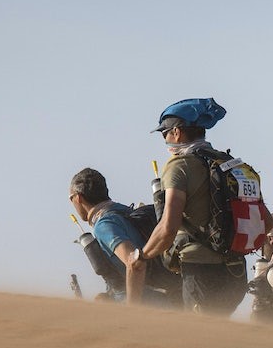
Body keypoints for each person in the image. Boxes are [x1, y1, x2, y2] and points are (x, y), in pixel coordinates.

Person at [140, 97, 261, 316]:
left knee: (204, 341)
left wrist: (142, 256)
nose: (165, 139)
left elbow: (168, 226)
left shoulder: (179, 166)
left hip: (201, 272)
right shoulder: (231, 164)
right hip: (236, 272)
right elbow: (267, 221)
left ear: (176, 132)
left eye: (164, 133)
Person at [68, 168, 178, 304]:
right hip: (175, 291)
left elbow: (135, 263)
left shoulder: (104, 225)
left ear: (78, 198)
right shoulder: (125, 212)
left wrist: (132, 308)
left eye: (70, 198)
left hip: (156, 304)